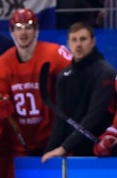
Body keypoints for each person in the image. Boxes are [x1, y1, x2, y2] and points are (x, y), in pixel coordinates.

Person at [0, 8, 73, 156]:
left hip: (54, 139)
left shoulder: (55, 54)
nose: (23, 33)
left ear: (36, 30)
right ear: (12, 32)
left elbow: (76, 82)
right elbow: (1, 101)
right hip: (20, 143)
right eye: (19, 28)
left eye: (28, 27)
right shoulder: (1, 65)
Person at [42, 22, 116, 163]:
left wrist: (64, 147)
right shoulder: (64, 75)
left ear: (93, 42)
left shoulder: (105, 72)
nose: (78, 44)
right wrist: (50, 151)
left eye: (83, 39)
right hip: (74, 151)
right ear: (68, 43)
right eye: (74, 40)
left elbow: (94, 116)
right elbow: (61, 119)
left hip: (101, 154)